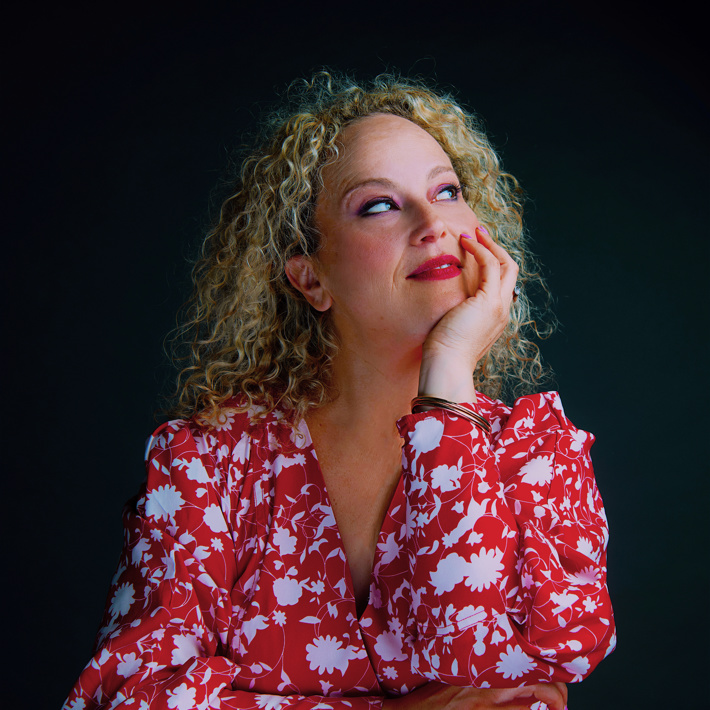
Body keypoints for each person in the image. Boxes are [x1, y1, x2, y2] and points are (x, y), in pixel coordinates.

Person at [64, 73, 615, 710]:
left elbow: (508, 661)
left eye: (447, 191)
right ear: (310, 279)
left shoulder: (537, 455)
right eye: (379, 205)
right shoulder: (207, 465)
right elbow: (128, 695)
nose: (433, 223)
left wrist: (447, 375)